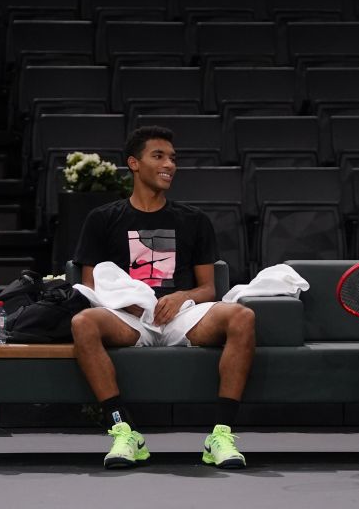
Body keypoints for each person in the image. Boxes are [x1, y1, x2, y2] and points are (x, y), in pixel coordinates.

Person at [71, 126, 255, 469]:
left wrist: (182, 296)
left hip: (181, 316)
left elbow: (209, 289)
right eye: (158, 156)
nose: (169, 164)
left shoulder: (194, 220)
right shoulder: (102, 219)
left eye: (172, 158)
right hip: (128, 317)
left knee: (242, 316)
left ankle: (220, 435)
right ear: (134, 163)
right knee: (83, 323)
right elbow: (90, 285)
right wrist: (127, 303)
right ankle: (124, 431)